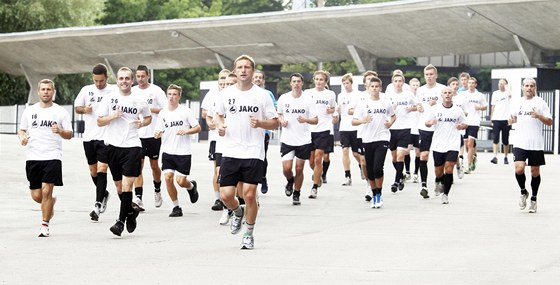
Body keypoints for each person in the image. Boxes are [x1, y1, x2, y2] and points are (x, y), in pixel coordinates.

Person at [215, 55, 278, 249]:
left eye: (247, 67)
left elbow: (275, 123)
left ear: (252, 71)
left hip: (253, 150)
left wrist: (260, 123)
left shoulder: (262, 95)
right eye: (240, 67)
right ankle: (237, 211)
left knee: (250, 195)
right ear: (235, 70)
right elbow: (218, 115)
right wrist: (220, 125)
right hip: (231, 149)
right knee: (226, 195)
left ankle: (249, 234)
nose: (243, 70)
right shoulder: (226, 94)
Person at [97, 67, 152, 236]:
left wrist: (142, 124)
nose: (124, 81)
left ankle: (120, 222)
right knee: (119, 188)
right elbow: (99, 121)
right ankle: (130, 213)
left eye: (127, 78)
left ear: (132, 80)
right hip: (113, 147)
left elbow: (148, 117)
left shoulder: (139, 100)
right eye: (121, 78)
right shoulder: (109, 99)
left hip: (132, 146)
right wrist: (112, 116)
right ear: (117, 80)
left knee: (128, 186)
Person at [19, 79, 73, 237]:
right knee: (37, 196)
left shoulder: (60, 112)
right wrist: (22, 138)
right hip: (33, 156)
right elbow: (22, 130)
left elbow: (69, 134)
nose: (46, 92)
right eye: (43, 89)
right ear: (38, 91)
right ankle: (51, 203)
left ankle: (44, 225)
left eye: (49, 89)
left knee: (47, 190)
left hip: (52, 155)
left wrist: (60, 131)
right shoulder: (29, 111)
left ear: (53, 92)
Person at [74, 63, 116, 221]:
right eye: (96, 80)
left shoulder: (113, 90)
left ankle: (97, 205)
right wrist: (84, 109)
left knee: (102, 168)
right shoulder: (86, 90)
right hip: (89, 137)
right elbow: (77, 107)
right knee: (93, 172)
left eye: (101, 81)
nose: (98, 84)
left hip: (106, 136)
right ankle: (103, 193)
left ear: (106, 77)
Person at [154, 84, 201, 217]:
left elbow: (197, 128)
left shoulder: (185, 111)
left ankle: (191, 186)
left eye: (175, 94)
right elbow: (158, 129)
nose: (171, 97)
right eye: (169, 94)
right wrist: (157, 133)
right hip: (168, 152)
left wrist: (186, 131)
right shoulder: (163, 113)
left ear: (179, 96)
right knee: (168, 178)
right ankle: (176, 207)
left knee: (181, 182)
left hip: (183, 152)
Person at [509, 78, 552, 213]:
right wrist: (511, 120)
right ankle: (523, 191)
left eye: (531, 86)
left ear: (535, 88)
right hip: (520, 141)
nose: (529, 88)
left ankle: (533, 199)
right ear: (522, 87)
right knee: (519, 169)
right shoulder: (517, 102)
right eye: (526, 86)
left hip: (535, 142)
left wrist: (539, 116)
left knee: (535, 171)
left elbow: (550, 122)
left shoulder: (540, 102)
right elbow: (514, 118)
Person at [352, 77, 395, 208]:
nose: (375, 88)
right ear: (368, 88)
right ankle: (373, 190)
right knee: (369, 170)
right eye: (372, 86)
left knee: (378, 167)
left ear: (380, 88)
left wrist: (390, 122)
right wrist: (362, 120)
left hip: (382, 137)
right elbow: (353, 121)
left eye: (377, 86)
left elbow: (393, 115)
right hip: (367, 138)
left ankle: (378, 195)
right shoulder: (362, 104)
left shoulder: (385, 102)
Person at [277, 73, 318, 205]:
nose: (296, 84)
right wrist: (282, 121)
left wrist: (305, 119)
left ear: (302, 83)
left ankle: (297, 193)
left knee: (299, 169)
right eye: (294, 81)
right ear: (290, 83)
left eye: (298, 81)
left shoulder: (308, 100)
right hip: (287, 139)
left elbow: (315, 120)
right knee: (287, 169)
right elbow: (279, 114)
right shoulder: (284, 98)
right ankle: (290, 181)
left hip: (303, 140)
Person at [132, 65, 167, 211]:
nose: (140, 79)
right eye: (138, 76)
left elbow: (166, 109)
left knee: (154, 165)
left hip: (153, 134)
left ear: (148, 76)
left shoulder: (156, 91)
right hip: (137, 135)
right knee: (137, 167)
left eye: (143, 76)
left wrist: (149, 109)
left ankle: (157, 189)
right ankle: (138, 198)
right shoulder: (132, 91)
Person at [425, 87, 467, 204]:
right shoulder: (435, 109)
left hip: (453, 143)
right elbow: (426, 123)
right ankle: (438, 181)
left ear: (452, 94)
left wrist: (461, 126)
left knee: (449, 168)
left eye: (449, 93)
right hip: (438, 143)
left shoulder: (458, 110)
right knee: (438, 171)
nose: (447, 95)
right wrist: (431, 122)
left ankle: (446, 194)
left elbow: (465, 123)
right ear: (441, 95)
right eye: (445, 93)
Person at [304, 70, 337, 199]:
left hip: (324, 128)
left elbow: (333, 108)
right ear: (314, 80)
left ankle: (314, 187)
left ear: (325, 81)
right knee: (311, 161)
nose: (319, 82)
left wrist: (331, 110)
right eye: (317, 79)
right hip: (309, 129)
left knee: (319, 158)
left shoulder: (330, 94)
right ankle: (318, 173)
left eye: (321, 80)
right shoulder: (307, 93)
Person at [201, 69, 230, 211]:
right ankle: (218, 198)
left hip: (231, 139)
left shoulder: (234, 94)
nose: (223, 83)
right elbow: (205, 112)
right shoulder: (212, 94)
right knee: (217, 169)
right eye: (221, 80)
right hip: (215, 138)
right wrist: (211, 121)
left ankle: (233, 198)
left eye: (226, 80)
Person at [416, 64, 446, 199]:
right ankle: (423, 185)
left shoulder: (442, 89)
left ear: (436, 75)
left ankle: (438, 180)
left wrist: (437, 105)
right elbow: (418, 104)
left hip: (439, 129)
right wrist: (418, 107)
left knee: (438, 160)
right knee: (424, 156)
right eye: (427, 74)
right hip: (424, 128)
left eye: (431, 74)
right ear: (424, 76)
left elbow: (448, 105)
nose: (429, 76)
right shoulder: (420, 90)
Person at [386, 73, 417, 193]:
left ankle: (396, 181)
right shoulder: (388, 96)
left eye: (400, 81)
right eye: (396, 81)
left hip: (405, 127)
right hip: (392, 128)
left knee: (400, 156)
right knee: (394, 158)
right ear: (392, 83)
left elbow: (416, 106)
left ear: (403, 83)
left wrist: (411, 108)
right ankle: (401, 175)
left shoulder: (408, 94)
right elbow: (385, 111)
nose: (398, 83)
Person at [252, 70, 277, 194]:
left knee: (262, 156)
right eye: (255, 77)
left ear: (263, 80)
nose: (258, 79)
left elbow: (274, 109)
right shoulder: (245, 93)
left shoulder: (267, 94)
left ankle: (263, 177)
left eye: (260, 77)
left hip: (263, 132)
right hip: (247, 132)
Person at [337, 73, 361, 186]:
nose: (346, 85)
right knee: (345, 150)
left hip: (355, 127)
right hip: (344, 127)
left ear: (351, 83)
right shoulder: (340, 95)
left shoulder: (357, 95)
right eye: (344, 83)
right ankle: (347, 176)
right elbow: (340, 110)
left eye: (347, 83)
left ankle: (362, 165)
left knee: (356, 153)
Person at [462, 77, 487, 174]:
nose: (471, 84)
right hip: (465, 121)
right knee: (467, 146)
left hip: (474, 121)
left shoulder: (479, 95)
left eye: (473, 83)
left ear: (475, 85)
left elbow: (485, 106)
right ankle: (473, 157)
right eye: (469, 83)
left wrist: (480, 107)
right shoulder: (463, 95)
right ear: (467, 84)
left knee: (470, 143)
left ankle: (468, 166)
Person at [449, 77, 468, 179]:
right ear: (449, 86)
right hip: (445, 129)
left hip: (458, 129)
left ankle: (458, 167)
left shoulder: (462, 98)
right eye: (453, 84)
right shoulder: (445, 97)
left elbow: (466, 112)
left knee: (454, 151)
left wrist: (459, 115)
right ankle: (452, 170)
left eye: (456, 84)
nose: (455, 86)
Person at [490, 78, 512, 164]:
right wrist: (492, 117)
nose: (500, 85)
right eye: (499, 83)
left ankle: (505, 156)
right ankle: (495, 156)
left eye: (502, 83)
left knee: (505, 140)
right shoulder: (495, 93)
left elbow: (511, 95)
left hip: (506, 119)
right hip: (496, 118)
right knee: (495, 138)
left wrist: (507, 88)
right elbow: (493, 106)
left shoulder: (507, 93)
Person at [407, 78, 422, 183]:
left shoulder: (421, 96)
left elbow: (421, 107)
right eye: (413, 85)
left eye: (417, 85)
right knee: (406, 150)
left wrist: (415, 107)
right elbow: (406, 108)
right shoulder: (407, 96)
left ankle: (416, 172)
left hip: (419, 127)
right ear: (410, 86)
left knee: (418, 152)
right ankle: (407, 171)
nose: (415, 87)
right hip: (408, 126)